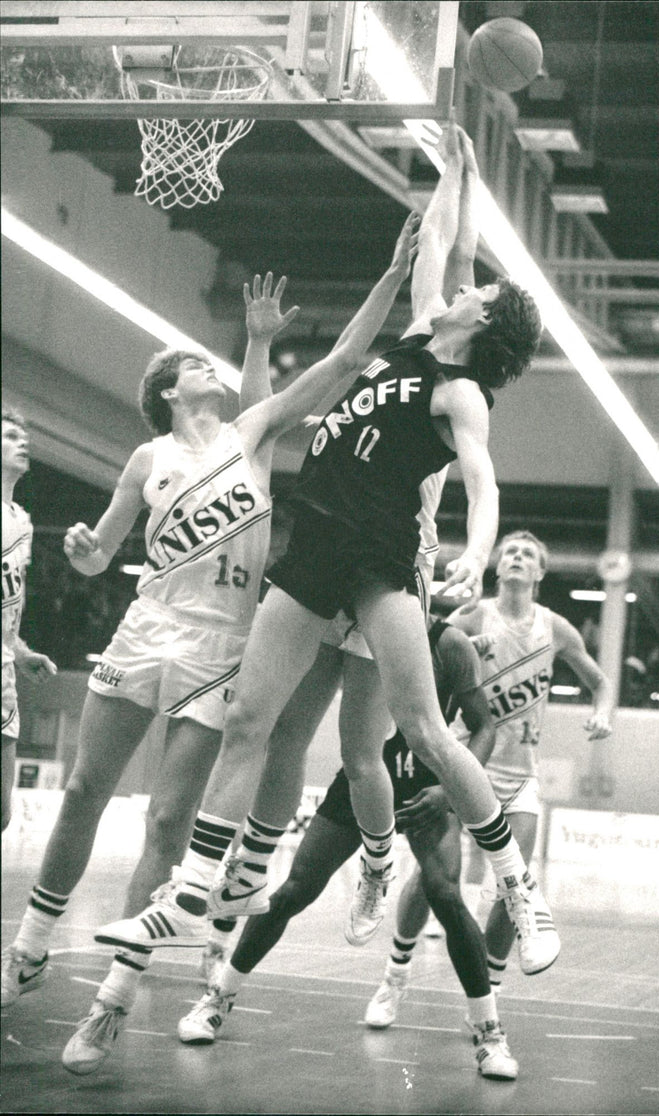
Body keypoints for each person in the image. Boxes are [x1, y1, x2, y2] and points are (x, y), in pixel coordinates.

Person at [96, 120, 548, 979]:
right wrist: (454, 172)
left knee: (391, 738)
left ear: (479, 324)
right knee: (254, 722)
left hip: (391, 554)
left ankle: (511, 884)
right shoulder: (419, 337)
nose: (463, 288)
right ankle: (196, 898)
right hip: (315, 549)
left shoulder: (460, 389)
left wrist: (478, 550)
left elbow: (485, 483)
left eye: (477, 294)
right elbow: (444, 251)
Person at [0, 216, 418, 1070]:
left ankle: (113, 1000)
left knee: (167, 819)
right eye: (196, 364)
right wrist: (83, 551)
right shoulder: (147, 457)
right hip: (147, 624)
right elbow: (101, 551)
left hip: (220, 644)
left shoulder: (251, 436)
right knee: (82, 789)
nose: (209, 367)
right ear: (169, 390)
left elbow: (340, 361)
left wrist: (393, 274)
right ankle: (32, 941)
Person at [175, 616, 519, 1081]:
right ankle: (217, 998)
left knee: (445, 894)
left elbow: (485, 726)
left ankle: (488, 1031)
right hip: (364, 778)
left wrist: (449, 790)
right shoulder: (357, 630)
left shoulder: (450, 644)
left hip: (427, 786)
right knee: (296, 888)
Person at [382, 529, 613, 1000]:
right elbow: (425, 665)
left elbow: (601, 681)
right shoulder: (470, 618)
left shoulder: (556, 628)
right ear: (497, 564)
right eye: (509, 551)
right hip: (465, 766)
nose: (517, 558)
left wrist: (602, 711)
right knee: (433, 880)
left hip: (519, 776)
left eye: (528, 554)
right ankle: (395, 975)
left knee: (514, 888)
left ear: (539, 572)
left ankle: (487, 988)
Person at [2, 407, 58, 832]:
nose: (22, 442)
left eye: (23, 436)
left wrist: (20, 653)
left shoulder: (23, 521)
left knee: (2, 814)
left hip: (4, 672)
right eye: (8, 436)